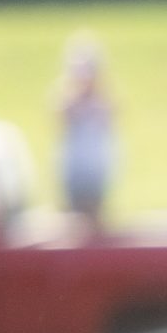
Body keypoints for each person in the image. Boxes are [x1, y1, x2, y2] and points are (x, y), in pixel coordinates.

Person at [54, 33, 118, 228]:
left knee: (95, 213)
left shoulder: (103, 102)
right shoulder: (68, 102)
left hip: (96, 169)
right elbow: (59, 117)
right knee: (74, 217)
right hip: (74, 170)